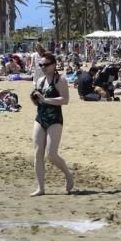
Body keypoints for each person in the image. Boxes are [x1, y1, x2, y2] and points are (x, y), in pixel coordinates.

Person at [30, 52, 74, 197]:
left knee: (52, 154)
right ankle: (41, 187)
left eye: (46, 65)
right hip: (40, 118)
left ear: (54, 65)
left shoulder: (59, 79)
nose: (43, 67)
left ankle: (68, 174)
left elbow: (65, 100)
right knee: (38, 153)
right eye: (41, 65)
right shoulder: (40, 80)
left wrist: (45, 99)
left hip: (55, 119)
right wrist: (35, 99)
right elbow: (38, 100)